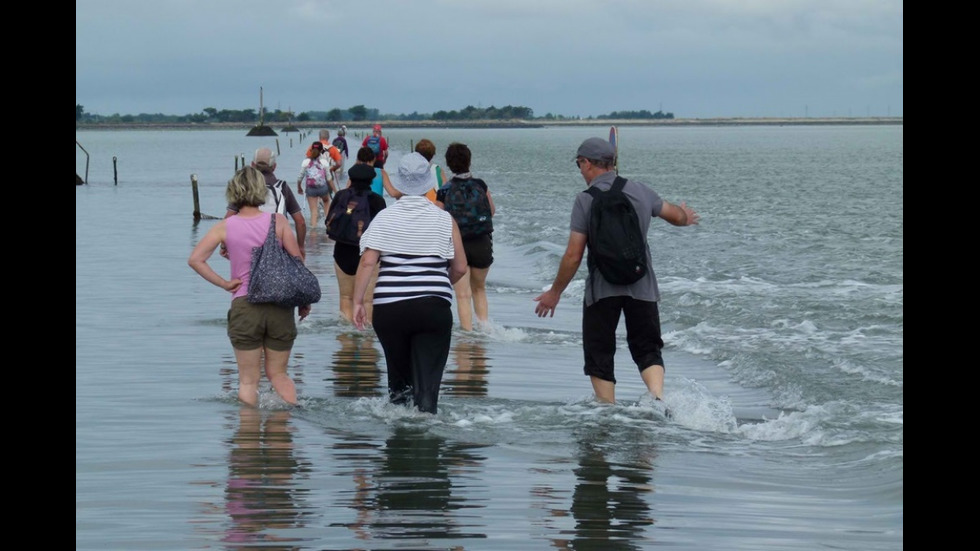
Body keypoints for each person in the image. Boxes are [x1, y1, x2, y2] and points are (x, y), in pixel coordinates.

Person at [532, 137, 700, 409]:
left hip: (602, 290)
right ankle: (657, 399)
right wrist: (686, 217)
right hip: (641, 285)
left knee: (600, 352)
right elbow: (676, 216)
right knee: (647, 348)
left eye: (578, 164)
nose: (580, 170)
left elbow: (574, 254)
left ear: (587, 163)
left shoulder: (585, 200)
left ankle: (607, 410)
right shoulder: (641, 191)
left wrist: (554, 292)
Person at [352, 152, 468, 414]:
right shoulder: (444, 219)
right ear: (429, 182)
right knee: (427, 387)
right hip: (433, 307)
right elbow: (460, 267)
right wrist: (438, 285)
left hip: (390, 308)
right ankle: (426, 424)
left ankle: (399, 435)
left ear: (399, 182)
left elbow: (368, 262)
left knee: (399, 381)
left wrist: (358, 301)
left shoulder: (385, 217)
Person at [189, 166, 312, 407]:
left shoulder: (225, 226)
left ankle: (248, 439)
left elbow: (195, 259)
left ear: (233, 192)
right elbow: (297, 263)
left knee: (248, 381)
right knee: (279, 375)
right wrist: (303, 301)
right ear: (260, 191)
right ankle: (285, 429)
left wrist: (225, 284)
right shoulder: (278, 222)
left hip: (245, 304)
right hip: (280, 305)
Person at [435, 142, 496, 331]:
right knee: (479, 289)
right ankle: (484, 330)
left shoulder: (444, 190)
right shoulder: (480, 185)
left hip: (457, 245)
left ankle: (468, 335)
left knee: (463, 295)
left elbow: (439, 220)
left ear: (449, 164)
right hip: (481, 243)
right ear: (469, 160)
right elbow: (491, 211)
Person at [224, 148, 307, 259]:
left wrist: (225, 245)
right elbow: (300, 221)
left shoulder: (244, 188)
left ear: (253, 165)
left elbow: (228, 219)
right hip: (277, 244)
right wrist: (300, 247)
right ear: (274, 167)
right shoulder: (282, 187)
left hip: (249, 244)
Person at [332, 163, 387, 324]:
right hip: (369, 252)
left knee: (346, 297)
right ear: (372, 180)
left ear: (350, 178)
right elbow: (382, 230)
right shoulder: (377, 201)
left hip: (342, 251)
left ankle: (346, 342)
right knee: (368, 301)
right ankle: (367, 344)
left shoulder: (341, 196)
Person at [296, 141, 337, 229]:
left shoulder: (305, 162)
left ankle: (313, 233)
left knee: (314, 212)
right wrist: (335, 191)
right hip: (323, 188)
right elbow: (329, 179)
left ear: (311, 150)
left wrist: (299, 187)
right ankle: (328, 224)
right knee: (326, 202)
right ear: (322, 150)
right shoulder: (324, 162)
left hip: (311, 189)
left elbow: (300, 177)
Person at [413, 138, 447, 203]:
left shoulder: (412, 170)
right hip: (435, 206)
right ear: (432, 154)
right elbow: (444, 190)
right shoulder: (438, 170)